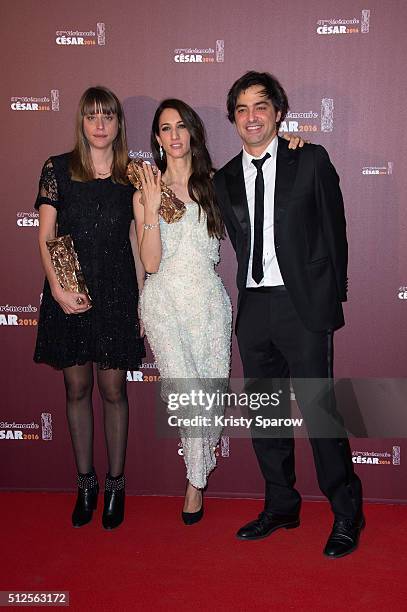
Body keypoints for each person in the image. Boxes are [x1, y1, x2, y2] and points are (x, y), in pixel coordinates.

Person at [214, 71, 364, 558]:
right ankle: (281, 505)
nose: (251, 117)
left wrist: (330, 297)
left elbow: (335, 230)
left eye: (261, 106)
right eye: (241, 109)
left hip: (303, 306)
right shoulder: (224, 178)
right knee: (266, 414)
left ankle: (346, 512)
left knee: (321, 412)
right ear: (233, 119)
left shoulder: (310, 160)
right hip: (254, 307)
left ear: (279, 113)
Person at [34, 86, 145, 530]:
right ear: (81, 121)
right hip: (70, 293)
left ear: (119, 124)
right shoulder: (57, 169)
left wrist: (141, 300)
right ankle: (86, 484)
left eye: (109, 116)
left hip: (118, 295)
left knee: (114, 391)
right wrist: (59, 292)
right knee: (76, 390)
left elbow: (137, 241)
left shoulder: (132, 174)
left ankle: (116, 484)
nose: (100, 124)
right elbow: (46, 234)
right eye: (92, 116)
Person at [133, 99, 232, 524]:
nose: (173, 136)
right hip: (164, 301)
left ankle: (198, 473)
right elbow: (150, 263)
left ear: (192, 133)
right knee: (188, 393)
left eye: (180, 127)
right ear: (156, 139)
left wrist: (294, 142)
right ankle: (195, 483)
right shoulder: (145, 192)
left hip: (209, 302)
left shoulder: (216, 184)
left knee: (208, 395)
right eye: (164, 128)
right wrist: (152, 209)